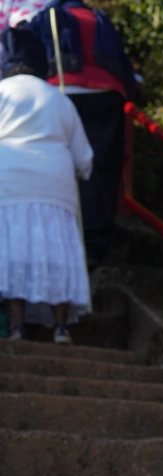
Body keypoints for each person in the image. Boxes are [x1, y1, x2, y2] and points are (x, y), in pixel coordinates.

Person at [27, 0, 138, 266]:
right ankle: (93, 246)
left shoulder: (45, 18)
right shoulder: (99, 19)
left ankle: (55, 238)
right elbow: (122, 65)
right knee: (100, 169)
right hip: (105, 96)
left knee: (56, 164)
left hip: (58, 94)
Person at [0, 24, 91, 344]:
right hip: (55, 182)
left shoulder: (1, 93)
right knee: (57, 251)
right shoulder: (59, 99)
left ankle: (16, 327)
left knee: (13, 252)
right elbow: (84, 158)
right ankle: (62, 328)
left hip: (9, 181)